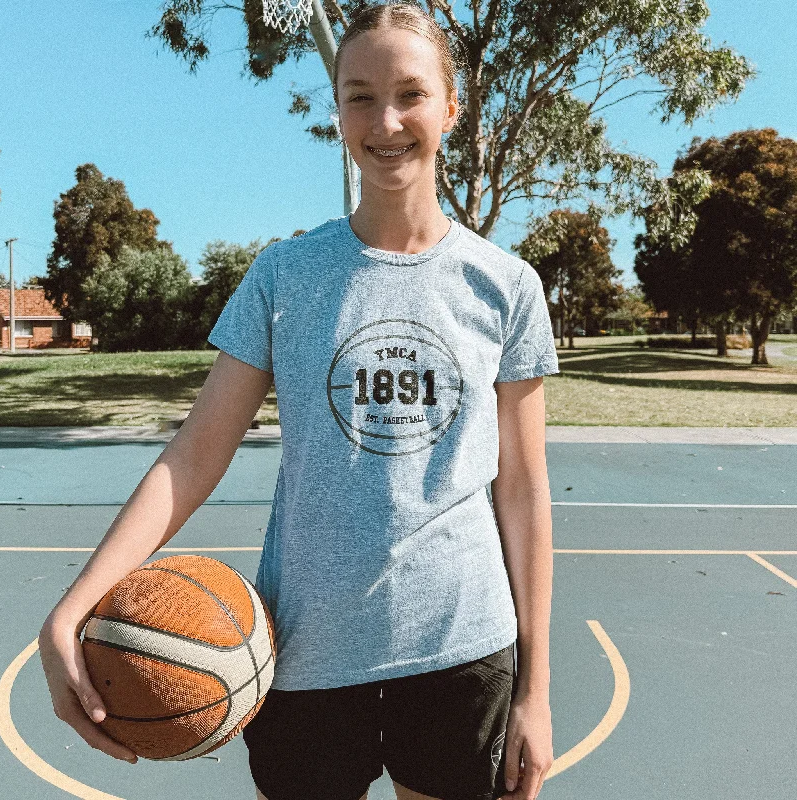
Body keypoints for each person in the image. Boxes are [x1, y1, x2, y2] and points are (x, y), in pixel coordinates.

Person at [38, 3, 558, 799]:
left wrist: (535, 689)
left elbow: (521, 488)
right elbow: (194, 454)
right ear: (337, 113)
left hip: (461, 647)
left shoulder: (506, 286)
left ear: (451, 108)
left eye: (410, 94)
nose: (386, 120)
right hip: (305, 653)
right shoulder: (286, 275)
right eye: (359, 96)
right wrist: (72, 608)